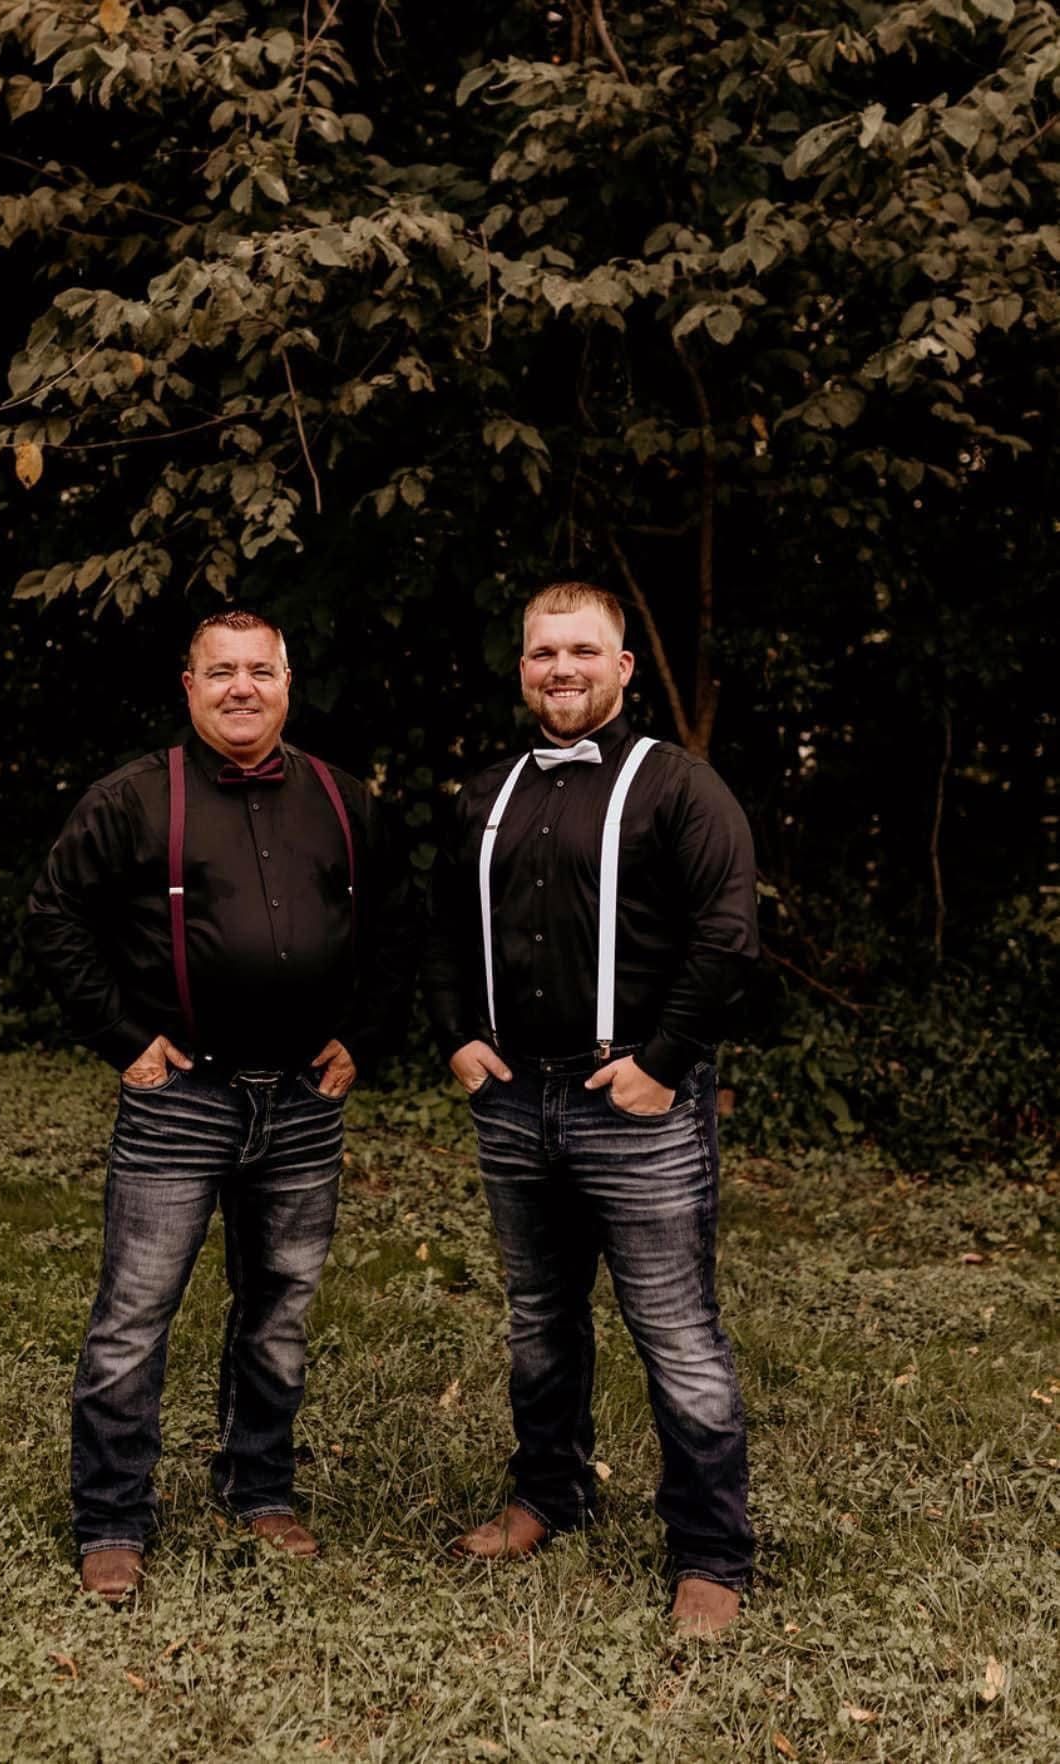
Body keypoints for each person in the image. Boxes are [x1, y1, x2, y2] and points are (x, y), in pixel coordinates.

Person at [26, 608, 408, 1600]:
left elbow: (402, 928)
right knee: (133, 1317)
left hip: (302, 1102)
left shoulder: (341, 796)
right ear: (188, 687)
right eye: (221, 672)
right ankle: (113, 1517)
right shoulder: (135, 797)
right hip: (181, 1099)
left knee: (279, 1312)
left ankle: (260, 1488)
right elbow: (55, 914)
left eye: (261, 671)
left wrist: (362, 1034)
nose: (243, 688)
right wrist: (123, 1039)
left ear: (289, 681)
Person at [424, 581, 758, 1635]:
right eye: (540, 653)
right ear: (520, 669)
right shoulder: (486, 792)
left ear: (621, 668)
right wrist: (458, 1038)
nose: (559, 669)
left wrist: (665, 1062)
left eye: (580, 651)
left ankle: (711, 1553)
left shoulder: (681, 789)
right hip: (518, 1100)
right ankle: (546, 1495)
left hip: (638, 1103)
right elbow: (436, 929)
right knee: (539, 1321)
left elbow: (727, 937)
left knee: (675, 1331)